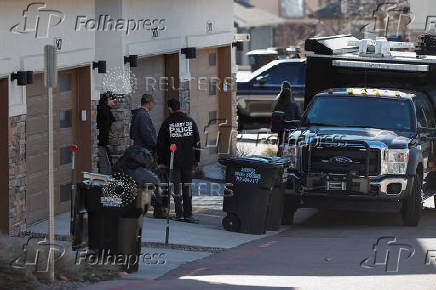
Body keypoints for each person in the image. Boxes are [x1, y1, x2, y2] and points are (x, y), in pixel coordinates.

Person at [157, 99, 200, 223]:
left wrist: (161, 161)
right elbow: (197, 142)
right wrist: (196, 159)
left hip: (173, 162)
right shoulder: (191, 122)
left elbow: (161, 144)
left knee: (176, 188)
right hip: (188, 161)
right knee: (187, 187)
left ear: (170, 108)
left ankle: (179, 214)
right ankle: (188, 214)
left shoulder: (167, 123)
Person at [273, 81, 301, 151]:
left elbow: (274, 116)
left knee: (281, 146)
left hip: (282, 129)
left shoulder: (278, 104)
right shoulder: (294, 105)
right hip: (288, 129)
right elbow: (299, 118)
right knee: (288, 147)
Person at [96, 91, 116, 174]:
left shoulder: (105, 110)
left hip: (103, 141)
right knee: (105, 165)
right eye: (113, 101)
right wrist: (104, 142)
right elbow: (104, 128)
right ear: (108, 99)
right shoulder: (104, 111)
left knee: (106, 163)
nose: (114, 104)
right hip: (101, 142)